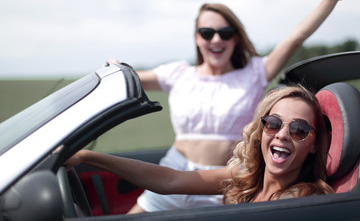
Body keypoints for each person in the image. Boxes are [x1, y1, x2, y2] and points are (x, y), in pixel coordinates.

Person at [106, 0, 360, 213]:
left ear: (236, 38)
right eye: (207, 32)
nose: (216, 39)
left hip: (223, 184)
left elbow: (296, 38)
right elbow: (126, 79)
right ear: (197, 37)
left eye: (225, 33)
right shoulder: (178, 72)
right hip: (174, 172)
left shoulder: (254, 73)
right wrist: (115, 68)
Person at [65, 85, 334, 206]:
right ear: (262, 129)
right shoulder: (243, 177)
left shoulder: (302, 201)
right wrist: (88, 156)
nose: (283, 134)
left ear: (313, 145)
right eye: (274, 123)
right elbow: (170, 181)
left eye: (299, 129)